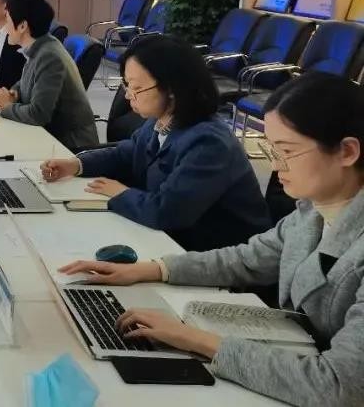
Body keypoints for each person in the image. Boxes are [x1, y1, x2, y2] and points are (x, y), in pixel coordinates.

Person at [59, 73, 364, 407]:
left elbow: (339, 387)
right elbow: (249, 258)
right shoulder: (314, 210)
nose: (275, 166)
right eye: (271, 149)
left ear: (347, 151)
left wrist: (196, 339)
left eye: (287, 151)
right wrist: (150, 269)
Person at [41, 36, 270, 251]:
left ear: (172, 89)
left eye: (137, 88)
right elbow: (126, 153)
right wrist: (76, 165)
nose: (128, 95)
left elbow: (167, 212)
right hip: (171, 237)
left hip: (217, 253)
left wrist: (120, 192)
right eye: (127, 85)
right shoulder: (161, 119)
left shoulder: (209, 143)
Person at [0, 0, 97, 150]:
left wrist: (7, 106)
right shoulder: (41, 46)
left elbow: (38, 114)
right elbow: (29, 80)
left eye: (8, 20)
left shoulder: (49, 56)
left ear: (22, 26)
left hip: (70, 146)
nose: (5, 28)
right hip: (51, 136)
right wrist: (14, 93)